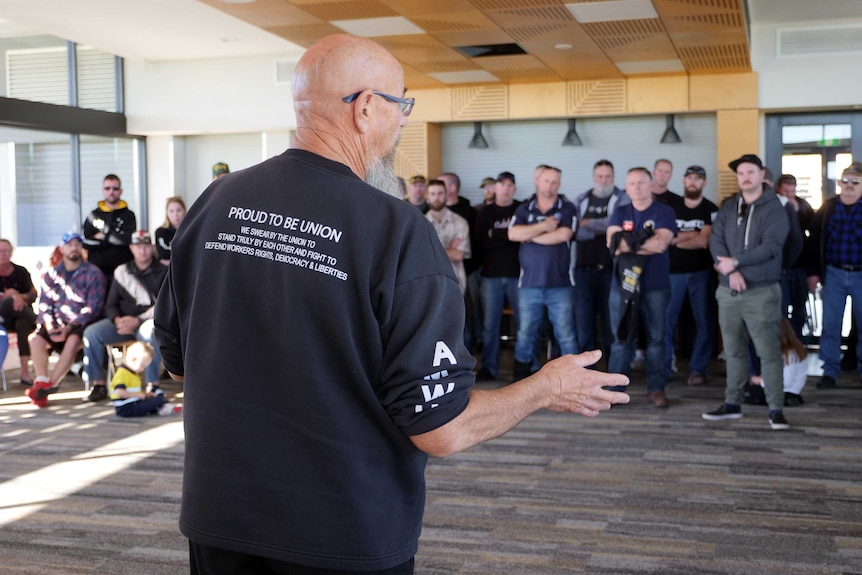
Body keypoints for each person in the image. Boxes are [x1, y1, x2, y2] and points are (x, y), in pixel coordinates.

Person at [154, 34, 629, 575]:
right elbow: (441, 427)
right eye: (401, 104)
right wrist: (546, 386)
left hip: (221, 521)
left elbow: (175, 359)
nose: (403, 121)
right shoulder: (398, 231)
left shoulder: (216, 202)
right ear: (365, 108)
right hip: (342, 534)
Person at [704, 154, 790, 430]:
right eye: (741, 173)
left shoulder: (775, 207)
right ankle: (732, 404)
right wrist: (731, 271)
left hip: (761, 292)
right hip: (728, 291)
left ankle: (776, 407)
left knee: (768, 352)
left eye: (751, 172)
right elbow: (716, 241)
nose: (746, 177)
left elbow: (772, 247)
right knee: (732, 351)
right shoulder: (729, 206)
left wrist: (738, 263)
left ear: (761, 174)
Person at [606, 167, 677, 408]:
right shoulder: (620, 211)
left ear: (651, 185)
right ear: (626, 188)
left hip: (655, 285)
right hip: (623, 286)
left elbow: (661, 243)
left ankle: (657, 389)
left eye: (641, 183)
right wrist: (642, 240)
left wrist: (628, 243)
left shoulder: (664, 211)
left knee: (656, 339)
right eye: (632, 183)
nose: (636, 187)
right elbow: (613, 245)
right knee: (621, 338)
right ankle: (615, 391)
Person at [508, 165, 578, 382]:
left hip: (560, 284)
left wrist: (529, 235)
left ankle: (574, 379)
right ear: (537, 181)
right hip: (529, 284)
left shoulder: (567, 208)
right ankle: (520, 378)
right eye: (546, 180)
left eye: (554, 181)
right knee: (525, 334)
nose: (550, 185)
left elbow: (563, 235)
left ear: (559, 184)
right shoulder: (524, 209)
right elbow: (512, 234)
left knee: (565, 335)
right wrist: (545, 226)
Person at [81, 230, 168, 403]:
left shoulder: (164, 271)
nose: (142, 250)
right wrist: (116, 319)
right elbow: (110, 304)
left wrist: (139, 319)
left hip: (147, 321)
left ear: (151, 248)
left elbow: (164, 305)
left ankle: (153, 385)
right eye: (138, 246)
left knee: (150, 332)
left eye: (145, 246)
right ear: (131, 248)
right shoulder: (121, 271)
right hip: (122, 323)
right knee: (92, 333)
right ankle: (98, 384)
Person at [25, 232, 106, 407]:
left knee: (72, 340)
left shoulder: (93, 273)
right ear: (62, 249)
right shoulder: (51, 274)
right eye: (69, 244)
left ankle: (49, 386)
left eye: (78, 244)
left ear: (82, 249)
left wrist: (70, 327)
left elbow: (94, 307)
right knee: (34, 339)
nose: (74, 248)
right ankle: (41, 382)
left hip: (80, 323)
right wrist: (50, 325)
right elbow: (44, 304)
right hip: (55, 323)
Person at [806, 162, 862, 389]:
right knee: (830, 325)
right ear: (839, 183)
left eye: (855, 182)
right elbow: (813, 241)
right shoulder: (827, 208)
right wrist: (812, 273)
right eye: (845, 181)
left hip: (860, 275)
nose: (848, 186)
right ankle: (829, 372)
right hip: (833, 274)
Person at [665, 166, 718, 386]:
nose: (693, 182)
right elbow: (666, 239)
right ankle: (666, 366)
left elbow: (704, 241)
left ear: (704, 183)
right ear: (684, 181)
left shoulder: (711, 209)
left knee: (704, 324)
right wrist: (693, 234)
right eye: (690, 178)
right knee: (666, 322)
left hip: (701, 274)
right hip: (672, 274)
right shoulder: (671, 208)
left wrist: (679, 239)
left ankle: (698, 369)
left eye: (698, 179)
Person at [572, 159, 629, 363]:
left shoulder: (622, 197)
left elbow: (619, 225)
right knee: (584, 323)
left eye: (608, 176)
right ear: (594, 177)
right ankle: (586, 373)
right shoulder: (582, 199)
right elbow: (576, 231)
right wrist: (603, 228)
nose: (604, 180)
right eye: (600, 176)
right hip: (583, 270)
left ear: (613, 177)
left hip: (611, 271)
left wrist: (589, 223)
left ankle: (612, 370)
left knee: (610, 323)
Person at [474, 171, 521, 381]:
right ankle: (489, 368)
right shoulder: (484, 212)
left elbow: (523, 239)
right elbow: (481, 242)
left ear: (514, 189)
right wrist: (509, 236)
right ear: (496, 188)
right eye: (502, 185)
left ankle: (526, 366)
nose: (506, 188)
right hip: (491, 276)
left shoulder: (521, 209)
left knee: (525, 324)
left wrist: (497, 234)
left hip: (518, 276)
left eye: (510, 185)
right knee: (490, 326)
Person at [82, 174, 137, 282]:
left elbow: (127, 240)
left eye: (115, 188)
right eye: (107, 188)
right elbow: (86, 242)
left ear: (121, 191)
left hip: (123, 270)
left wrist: (102, 236)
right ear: (103, 191)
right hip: (97, 270)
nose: (111, 191)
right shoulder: (93, 215)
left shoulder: (129, 215)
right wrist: (115, 237)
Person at [0, 238, 38, 386]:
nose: (3, 254)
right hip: (2, 317)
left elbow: (33, 294)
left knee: (23, 325)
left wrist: (18, 296)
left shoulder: (21, 271)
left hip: (19, 317)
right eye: (0, 251)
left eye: (6, 250)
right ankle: (38, 321)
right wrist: (9, 297)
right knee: (9, 302)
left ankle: (25, 372)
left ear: (11, 252)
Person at [109, 341, 181, 417]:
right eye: (142, 366)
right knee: (159, 399)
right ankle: (162, 406)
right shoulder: (122, 373)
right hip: (125, 407)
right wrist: (138, 395)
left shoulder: (132, 373)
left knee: (156, 395)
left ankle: (160, 406)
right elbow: (119, 392)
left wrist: (146, 394)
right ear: (133, 359)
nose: (143, 369)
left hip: (132, 403)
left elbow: (135, 391)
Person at [425, 179, 471, 294]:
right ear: (427, 197)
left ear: (446, 195)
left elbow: (458, 255)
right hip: (428, 283)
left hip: (455, 282)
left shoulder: (459, 222)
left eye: (440, 193)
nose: (436, 197)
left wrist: (432, 250)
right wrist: (449, 249)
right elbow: (419, 255)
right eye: (433, 194)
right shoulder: (421, 222)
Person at [155, 196, 187, 266]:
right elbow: (164, 254)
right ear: (167, 213)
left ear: (184, 211)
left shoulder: (190, 231)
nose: (175, 214)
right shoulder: (161, 232)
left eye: (179, 210)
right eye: (171, 211)